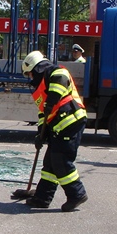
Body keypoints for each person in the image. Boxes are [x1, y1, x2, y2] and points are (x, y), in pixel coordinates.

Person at [21, 51, 88, 212]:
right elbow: (43, 113)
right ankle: (42, 198)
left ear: (35, 68)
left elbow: (61, 77)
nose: (30, 77)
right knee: (50, 163)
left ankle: (77, 194)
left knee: (61, 161)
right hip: (58, 127)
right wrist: (40, 134)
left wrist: (53, 97)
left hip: (70, 122)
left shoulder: (53, 71)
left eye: (30, 74)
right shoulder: (40, 87)